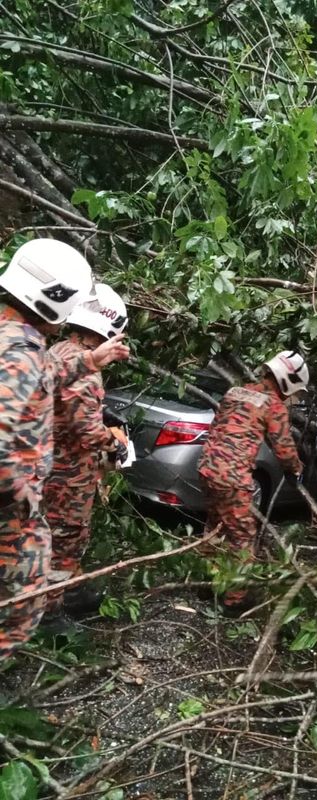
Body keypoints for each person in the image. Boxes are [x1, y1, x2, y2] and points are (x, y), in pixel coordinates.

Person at [0, 239, 129, 661]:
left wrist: (93, 359)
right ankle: (46, 628)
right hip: (22, 503)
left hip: (36, 492)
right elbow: (83, 428)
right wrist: (18, 499)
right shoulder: (21, 351)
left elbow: (45, 371)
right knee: (25, 596)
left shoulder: (20, 338)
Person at [43, 284, 129, 625]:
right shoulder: (87, 372)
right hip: (68, 473)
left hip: (47, 462)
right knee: (66, 538)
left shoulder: (58, 351)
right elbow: (86, 429)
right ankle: (49, 615)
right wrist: (114, 444)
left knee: (59, 535)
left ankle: (74, 592)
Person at [198, 351, 308, 611]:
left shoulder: (235, 392)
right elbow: (283, 448)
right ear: (288, 381)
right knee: (243, 536)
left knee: (214, 526)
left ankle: (207, 584)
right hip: (232, 478)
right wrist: (296, 470)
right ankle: (233, 600)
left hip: (207, 469)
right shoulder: (274, 405)